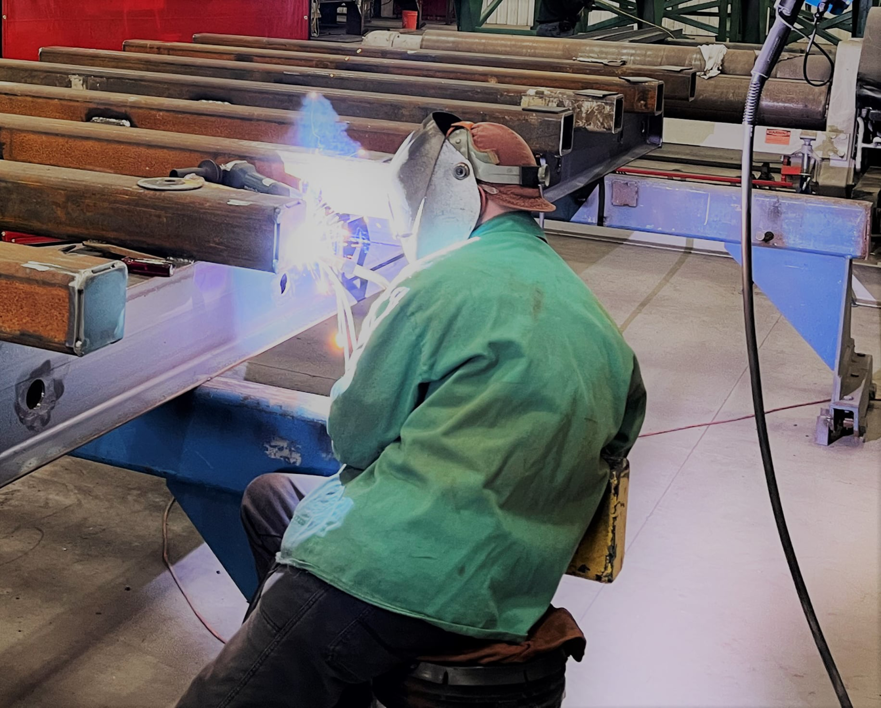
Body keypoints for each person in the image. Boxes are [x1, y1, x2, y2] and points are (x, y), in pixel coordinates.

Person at [176, 113, 646, 708]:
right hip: (505, 588)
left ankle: (293, 653)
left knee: (219, 701)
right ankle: (302, 652)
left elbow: (352, 437)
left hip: (394, 576)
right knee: (273, 497)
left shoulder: (433, 284)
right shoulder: (602, 327)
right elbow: (614, 449)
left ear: (455, 191)